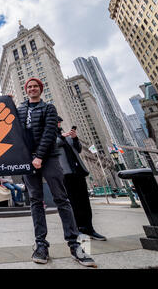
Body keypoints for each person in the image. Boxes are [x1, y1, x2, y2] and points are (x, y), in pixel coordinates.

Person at [16, 77, 96, 267]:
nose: (32, 88)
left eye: (36, 86)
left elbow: (49, 133)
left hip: (49, 158)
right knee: (35, 200)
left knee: (61, 198)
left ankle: (75, 245)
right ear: (26, 90)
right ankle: (41, 244)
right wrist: (8, 103)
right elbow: (13, 128)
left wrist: (40, 156)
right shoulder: (20, 109)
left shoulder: (49, 108)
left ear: (40, 89)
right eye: (29, 86)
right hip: (28, 160)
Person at [56, 117, 106, 241]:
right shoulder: (50, 135)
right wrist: (62, 136)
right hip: (64, 174)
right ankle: (76, 230)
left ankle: (89, 228)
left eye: (59, 122)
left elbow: (78, 149)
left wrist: (74, 138)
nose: (59, 123)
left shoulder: (67, 136)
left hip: (78, 172)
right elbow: (52, 145)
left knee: (84, 202)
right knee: (72, 203)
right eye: (56, 121)